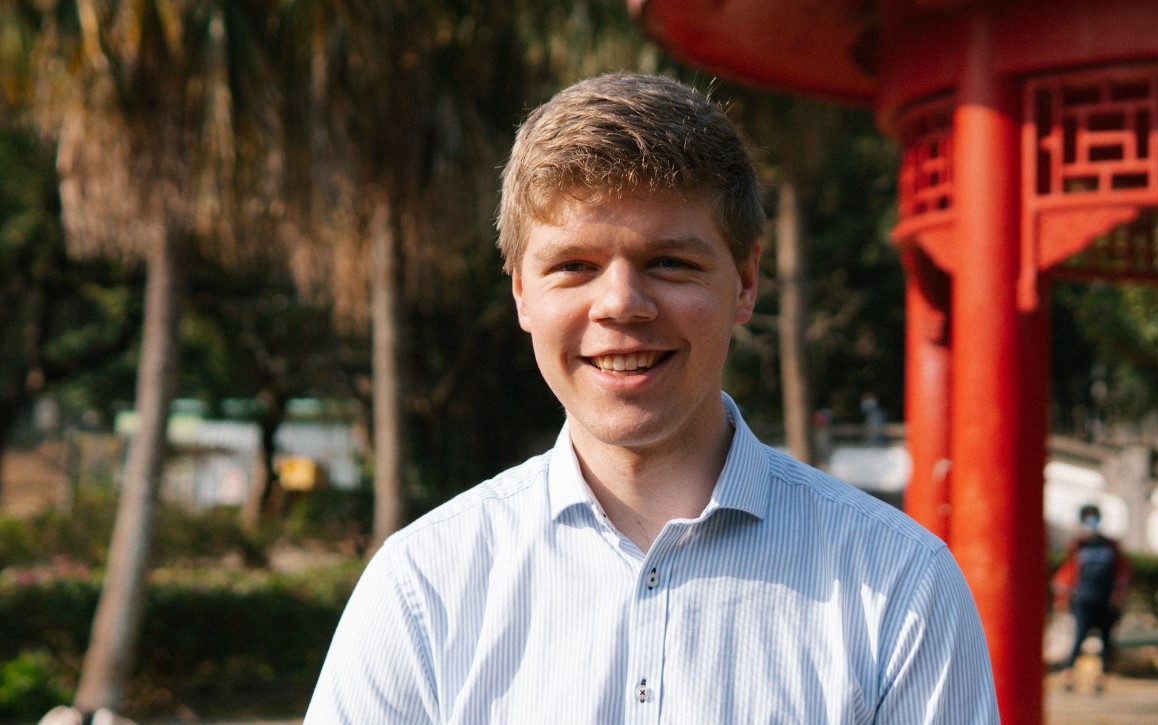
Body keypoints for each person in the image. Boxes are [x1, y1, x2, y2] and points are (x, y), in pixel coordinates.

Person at [304, 72, 998, 723]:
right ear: (521, 290)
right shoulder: (424, 588)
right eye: (574, 265)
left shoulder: (901, 587)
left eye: (669, 263)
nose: (621, 305)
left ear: (746, 280)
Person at [1052, 503, 1132, 690]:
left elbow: (1122, 573)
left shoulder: (1110, 545)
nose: (1091, 520)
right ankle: (1069, 674)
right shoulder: (1078, 545)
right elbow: (1067, 573)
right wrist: (1062, 598)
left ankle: (1100, 677)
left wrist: (1118, 596)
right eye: (1087, 517)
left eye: (1093, 516)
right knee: (1079, 636)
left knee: (1105, 639)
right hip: (1082, 599)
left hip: (1105, 600)